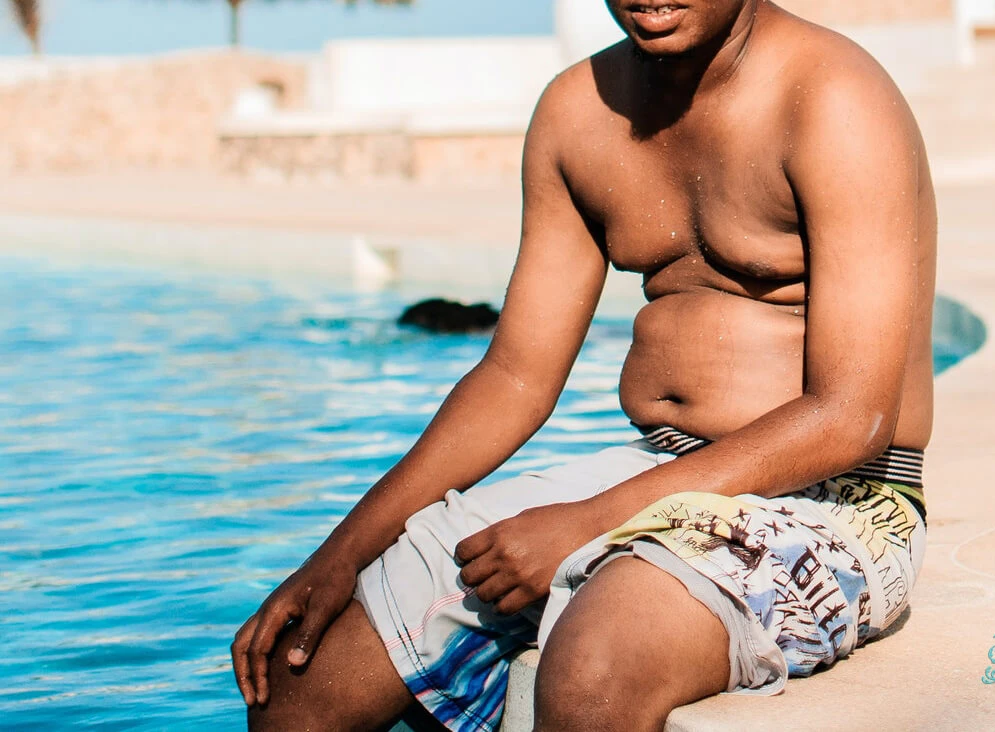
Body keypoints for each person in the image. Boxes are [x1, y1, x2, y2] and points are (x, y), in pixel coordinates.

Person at [230, 0, 937, 729]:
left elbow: (853, 416)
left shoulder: (835, 99)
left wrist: (591, 523)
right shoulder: (579, 111)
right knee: (299, 683)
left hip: (838, 497)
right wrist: (341, 552)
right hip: (660, 465)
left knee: (592, 670)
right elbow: (515, 377)